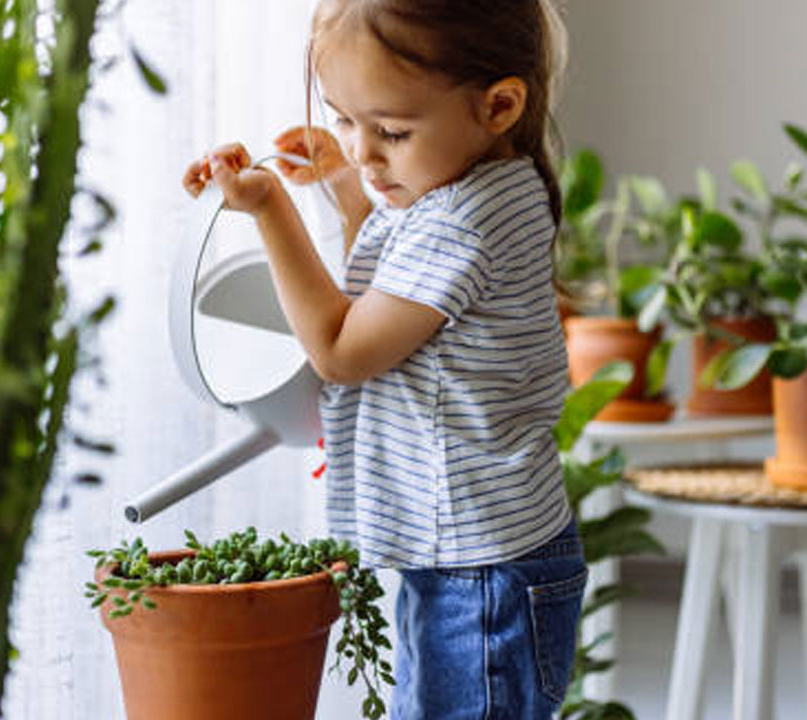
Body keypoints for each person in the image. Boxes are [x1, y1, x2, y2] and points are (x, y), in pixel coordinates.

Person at [182, 1, 584, 717]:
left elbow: (341, 349)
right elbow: (391, 291)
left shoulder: (464, 222)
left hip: (481, 572)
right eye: (344, 119)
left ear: (498, 106)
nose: (364, 153)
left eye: (391, 131)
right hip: (477, 554)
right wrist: (346, 189)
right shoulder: (477, 186)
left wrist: (271, 208)